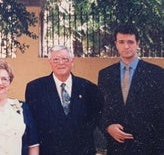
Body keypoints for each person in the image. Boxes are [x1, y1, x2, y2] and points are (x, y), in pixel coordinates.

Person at [98, 24, 164, 154]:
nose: (126, 46)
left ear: (138, 43)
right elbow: (101, 107)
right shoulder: (105, 74)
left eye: (130, 42)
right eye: (121, 42)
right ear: (116, 44)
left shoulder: (156, 73)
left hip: (148, 147)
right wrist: (107, 126)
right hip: (117, 146)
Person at [25, 45, 103, 155]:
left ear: (72, 62)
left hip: (82, 151)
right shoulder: (35, 88)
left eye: (65, 59)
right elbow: (33, 123)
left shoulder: (88, 88)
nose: (60, 63)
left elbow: (95, 118)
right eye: (56, 59)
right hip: (49, 151)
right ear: (50, 62)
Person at [0, 59, 39, 155]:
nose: (0, 83)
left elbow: (33, 145)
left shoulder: (21, 107)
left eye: (5, 79)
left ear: (10, 82)